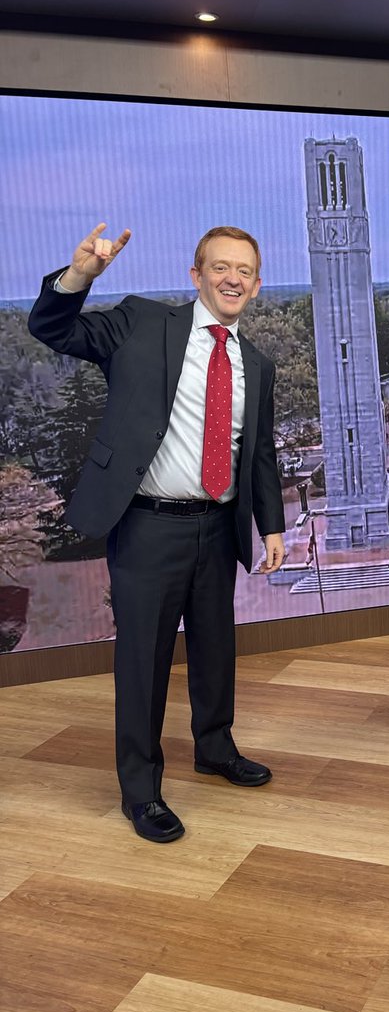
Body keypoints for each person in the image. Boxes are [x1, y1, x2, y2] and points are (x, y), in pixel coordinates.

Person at [29, 223, 286, 841]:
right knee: (143, 660)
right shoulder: (141, 323)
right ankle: (141, 791)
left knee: (215, 647)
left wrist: (270, 527)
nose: (232, 278)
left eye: (244, 271)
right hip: (147, 525)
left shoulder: (256, 362)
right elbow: (52, 328)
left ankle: (215, 748)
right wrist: (81, 275)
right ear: (195, 275)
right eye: (220, 267)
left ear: (255, 285)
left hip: (217, 526)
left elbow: (259, 456)